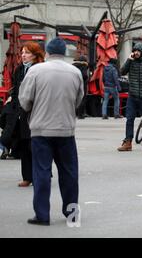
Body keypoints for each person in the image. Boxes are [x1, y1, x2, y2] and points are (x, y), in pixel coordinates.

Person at [18, 37, 84, 226]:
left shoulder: (35, 71)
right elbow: (79, 100)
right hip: (66, 130)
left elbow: (25, 100)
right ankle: (71, 214)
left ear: (47, 52)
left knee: (41, 173)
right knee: (69, 173)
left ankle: (42, 215)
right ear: (64, 52)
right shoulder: (75, 72)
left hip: (41, 131)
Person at [1, 42, 45, 187]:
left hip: (36, 111)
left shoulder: (40, 69)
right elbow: (15, 89)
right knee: (24, 143)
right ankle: (27, 177)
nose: (23, 55)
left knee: (36, 145)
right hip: (19, 111)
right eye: (22, 52)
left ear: (35, 54)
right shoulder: (19, 69)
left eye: (26, 52)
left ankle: (41, 174)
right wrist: (12, 101)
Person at [117, 43, 142, 152]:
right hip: (132, 96)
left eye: (138, 51)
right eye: (135, 50)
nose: (136, 53)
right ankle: (128, 142)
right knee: (129, 119)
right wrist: (129, 60)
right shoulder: (131, 62)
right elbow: (122, 72)